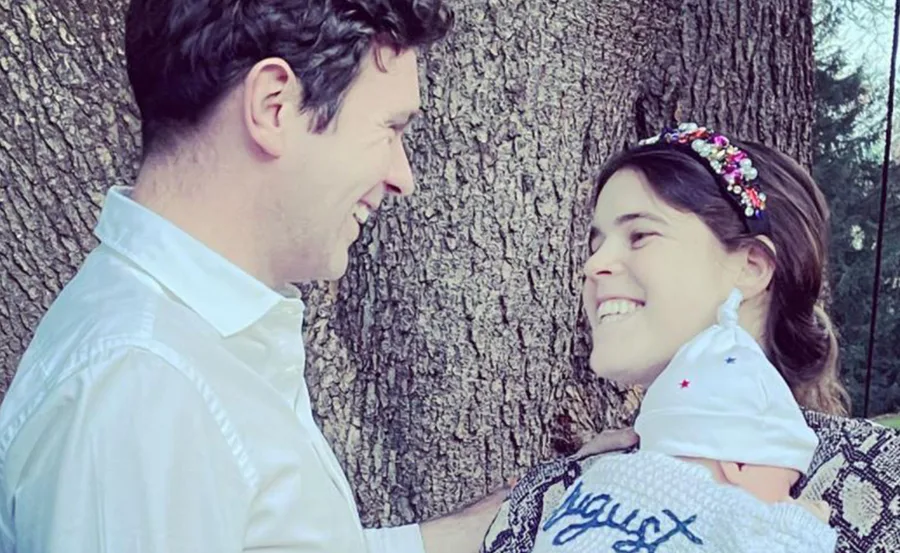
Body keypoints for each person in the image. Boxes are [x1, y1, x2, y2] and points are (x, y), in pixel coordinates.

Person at [0, 1, 632, 551]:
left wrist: (546, 505)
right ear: (274, 107)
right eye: (389, 129)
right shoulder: (144, 389)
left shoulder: (200, 342)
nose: (401, 175)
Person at [482, 122, 853, 553]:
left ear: (750, 266)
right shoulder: (561, 491)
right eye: (595, 244)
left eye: (640, 235)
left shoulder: (880, 488)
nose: (593, 265)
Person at [532, 288, 838, 553]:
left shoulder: (599, 479)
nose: (789, 498)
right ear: (738, 465)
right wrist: (804, 524)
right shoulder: (727, 520)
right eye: (787, 486)